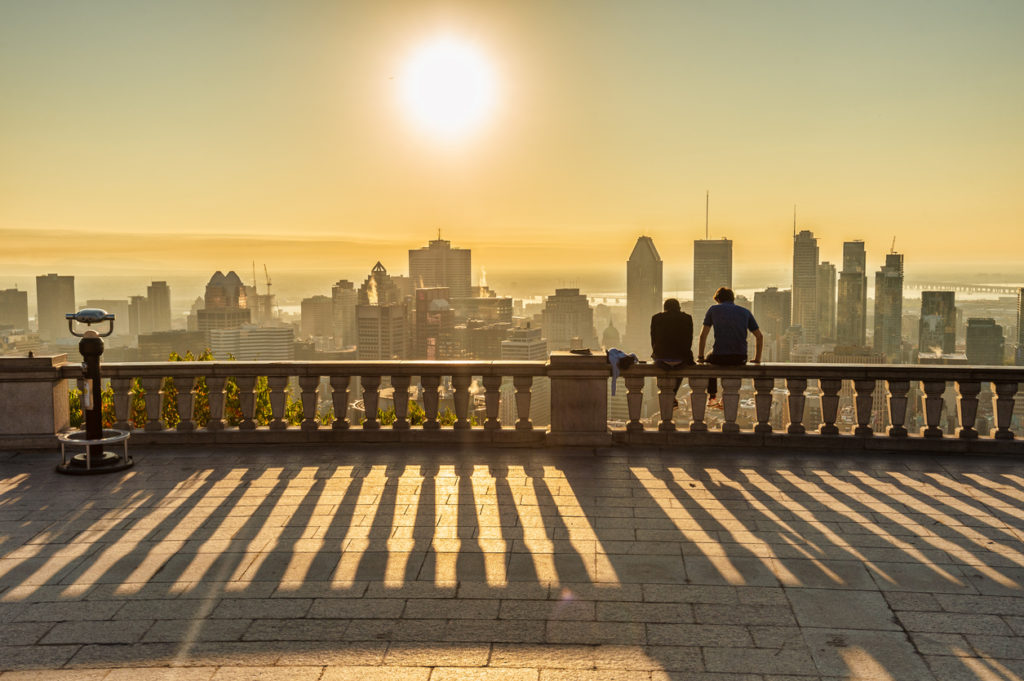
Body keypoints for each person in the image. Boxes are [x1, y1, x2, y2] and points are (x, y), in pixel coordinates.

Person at [698, 287, 762, 409]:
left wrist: (700, 357)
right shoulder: (745, 312)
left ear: (717, 299)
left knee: (708, 359)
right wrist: (757, 359)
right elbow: (759, 336)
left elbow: (703, 335)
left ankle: (712, 397)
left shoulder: (713, 309)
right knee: (730, 368)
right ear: (732, 299)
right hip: (740, 357)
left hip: (719, 356)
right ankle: (724, 398)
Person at [650, 298, 695, 400]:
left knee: (662, 364)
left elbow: (653, 340)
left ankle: (670, 396)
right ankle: (673, 394)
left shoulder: (656, 318)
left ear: (665, 308)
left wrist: (657, 354)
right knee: (680, 362)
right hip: (681, 359)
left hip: (661, 358)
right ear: (679, 308)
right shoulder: (687, 318)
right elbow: (689, 340)